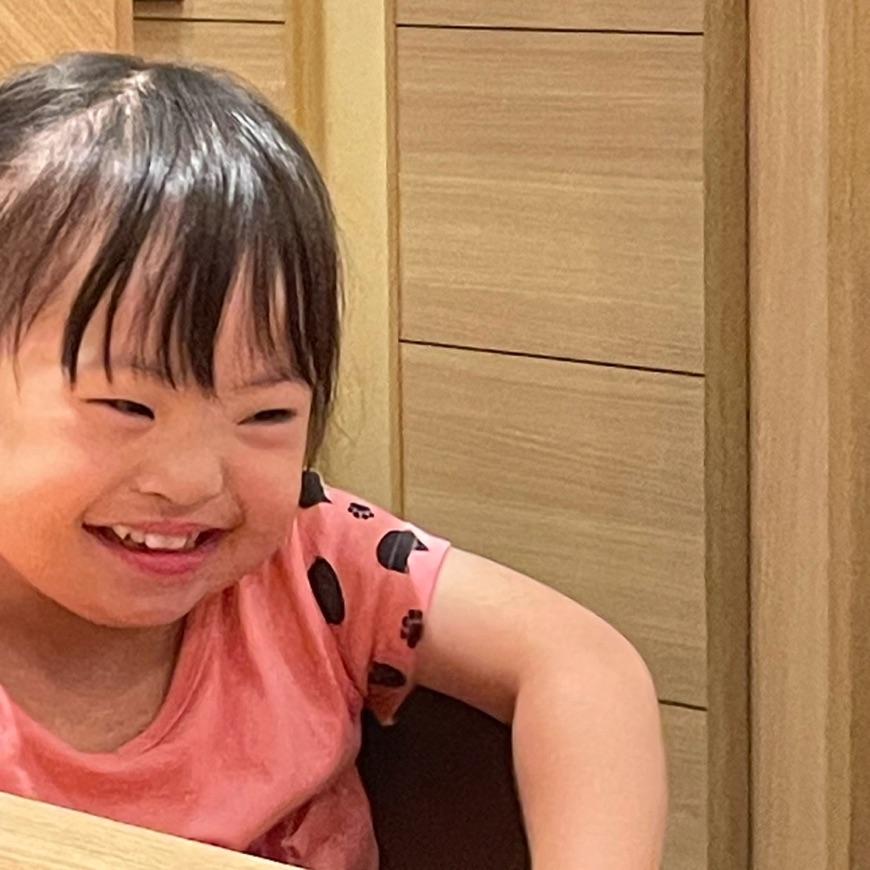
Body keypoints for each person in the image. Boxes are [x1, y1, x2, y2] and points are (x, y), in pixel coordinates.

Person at [0, 53, 667, 869]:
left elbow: (581, 664)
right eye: (127, 407)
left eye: (266, 415)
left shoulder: (311, 564)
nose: (193, 481)